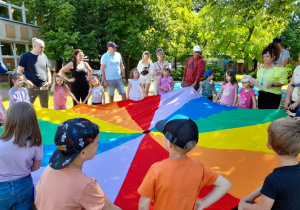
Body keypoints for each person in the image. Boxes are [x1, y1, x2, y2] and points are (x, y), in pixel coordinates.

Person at [138, 117, 231, 210]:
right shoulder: (199, 167)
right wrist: (203, 203)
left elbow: (143, 206)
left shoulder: (156, 169)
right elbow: (225, 184)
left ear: (170, 144)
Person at [35, 118, 121, 210]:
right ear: (83, 153)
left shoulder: (49, 169)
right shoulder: (86, 185)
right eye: (96, 143)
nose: (98, 145)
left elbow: (37, 202)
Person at [238, 118, 300, 210]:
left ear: (269, 145)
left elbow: (262, 208)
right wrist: (252, 195)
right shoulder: (276, 180)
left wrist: (244, 206)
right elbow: (272, 187)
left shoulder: (274, 179)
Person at [0, 102, 43, 209]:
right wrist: (23, 169)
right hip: (25, 185)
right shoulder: (35, 143)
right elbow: (36, 166)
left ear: (9, 121)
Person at [17, 37, 51, 108]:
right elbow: (19, 72)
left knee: (45, 106)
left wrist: (49, 81)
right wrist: (27, 82)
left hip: (44, 86)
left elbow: (48, 71)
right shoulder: (25, 56)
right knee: (28, 106)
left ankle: (43, 119)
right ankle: (27, 119)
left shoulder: (44, 56)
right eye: (41, 47)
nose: (43, 49)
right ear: (34, 46)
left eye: (43, 47)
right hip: (31, 87)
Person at [256, 43, 288, 109]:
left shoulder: (279, 69)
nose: (264, 58)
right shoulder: (261, 70)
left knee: (270, 116)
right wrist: (252, 82)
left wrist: (273, 84)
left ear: (274, 57)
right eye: (263, 56)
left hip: (273, 96)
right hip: (261, 95)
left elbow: (284, 82)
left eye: (267, 56)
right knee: (261, 114)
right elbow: (258, 80)